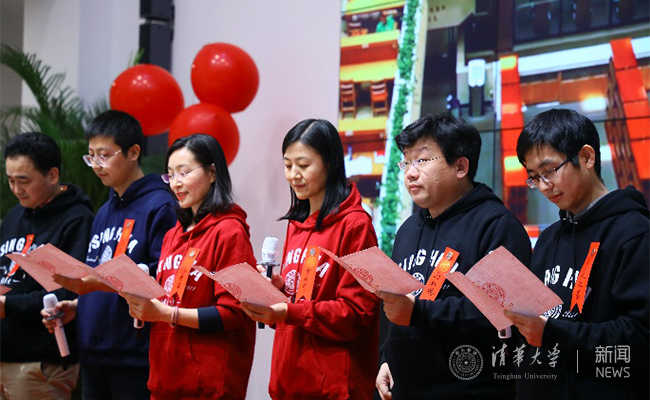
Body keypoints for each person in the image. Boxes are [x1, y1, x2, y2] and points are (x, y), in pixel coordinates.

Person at [375, 113, 532, 400]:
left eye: (422, 160)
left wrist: (419, 312)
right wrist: (388, 357)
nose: (410, 173)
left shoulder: (497, 226)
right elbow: (399, 306)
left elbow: (501, 313)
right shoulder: (408, 230)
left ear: (460, 166)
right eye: (406, 162)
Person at [506, 108, 649, 399]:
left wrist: (553, 333)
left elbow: (640, 336)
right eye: (534, 177)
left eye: (549, 171)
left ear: (586, 157)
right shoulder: (548, 239)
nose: (543, 186)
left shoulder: (635, 232)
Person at [241, 119, 381, 400]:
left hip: (334, 388)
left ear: (330, 164)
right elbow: (300, 300)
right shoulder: (296, 224)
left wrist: (288, 311)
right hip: (288, 382)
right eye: (288, 165)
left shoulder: (355, 225)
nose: (293, 175)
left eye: (303, 165)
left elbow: (357, 313)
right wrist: (276, 292)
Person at [42, 110, 177, 400]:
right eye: (91, 156)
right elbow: (99, 268)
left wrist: (97, 284)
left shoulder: (160, 205)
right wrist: (78, 305)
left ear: (133, 152)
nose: (96, 165)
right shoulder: (104, 210)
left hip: (134, 354)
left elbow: (160, 280)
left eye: (104, 156)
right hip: (93, 352)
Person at [122, 134, 256, 399]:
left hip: (208, 386)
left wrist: (168, 314)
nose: (176, 183)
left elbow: (235, 312)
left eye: (184, 173)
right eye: (170, 175)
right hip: (165, 380)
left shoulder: (230, 231)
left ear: (212, 173)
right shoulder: (173, 233)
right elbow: (171, 298)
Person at [0, 132, 94, 400]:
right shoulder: (14, 216)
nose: (16, 189)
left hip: (42, 362)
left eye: (24, 181)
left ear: (52, 175)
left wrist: (8, 305)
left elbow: (69, 292)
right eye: (10, 180)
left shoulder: (77, 219)